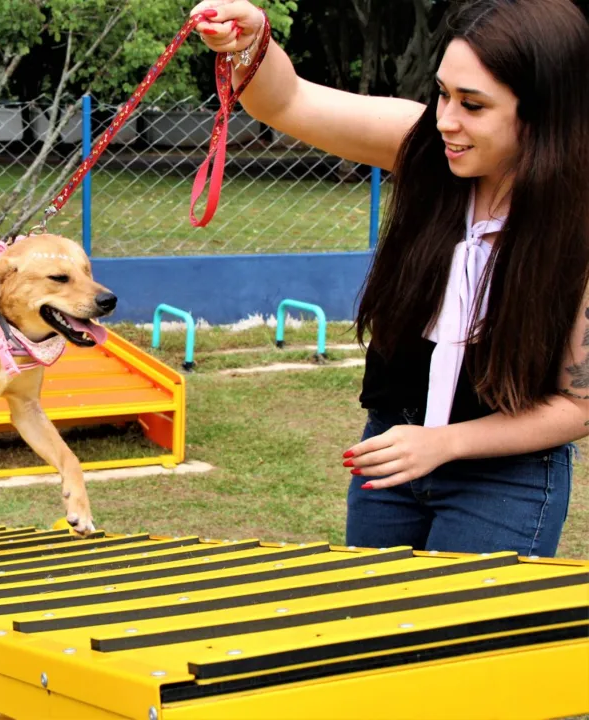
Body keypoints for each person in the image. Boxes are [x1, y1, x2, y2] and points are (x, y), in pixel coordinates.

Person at [190, 0, 589, 557]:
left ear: (544, 113)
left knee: (464, 642)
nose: (447, 119)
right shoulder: (426, 143)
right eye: (443, 93)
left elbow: (578, 406)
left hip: (505, 474)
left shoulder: (577, 223)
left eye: (473, 105)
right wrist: (253, 42)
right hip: (392, 449)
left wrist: (445, 443)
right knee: (374, 632)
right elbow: (288, 100)